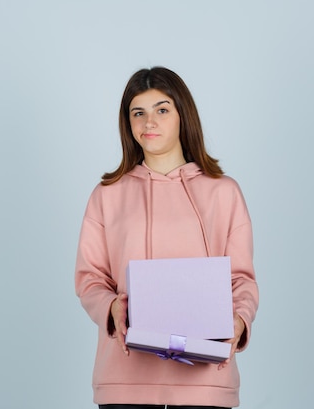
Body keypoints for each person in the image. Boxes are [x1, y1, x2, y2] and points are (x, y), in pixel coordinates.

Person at [74, 66, 259, 409]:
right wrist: (112, 307)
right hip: (125, 377)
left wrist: (240, 319)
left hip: (205, 377)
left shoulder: (224, 192)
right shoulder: (107, 195)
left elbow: (241, 280)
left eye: (162, 110)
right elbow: (90, 279)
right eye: (138, 113)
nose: (149, 123)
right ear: (127, 123)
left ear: (182, 115)